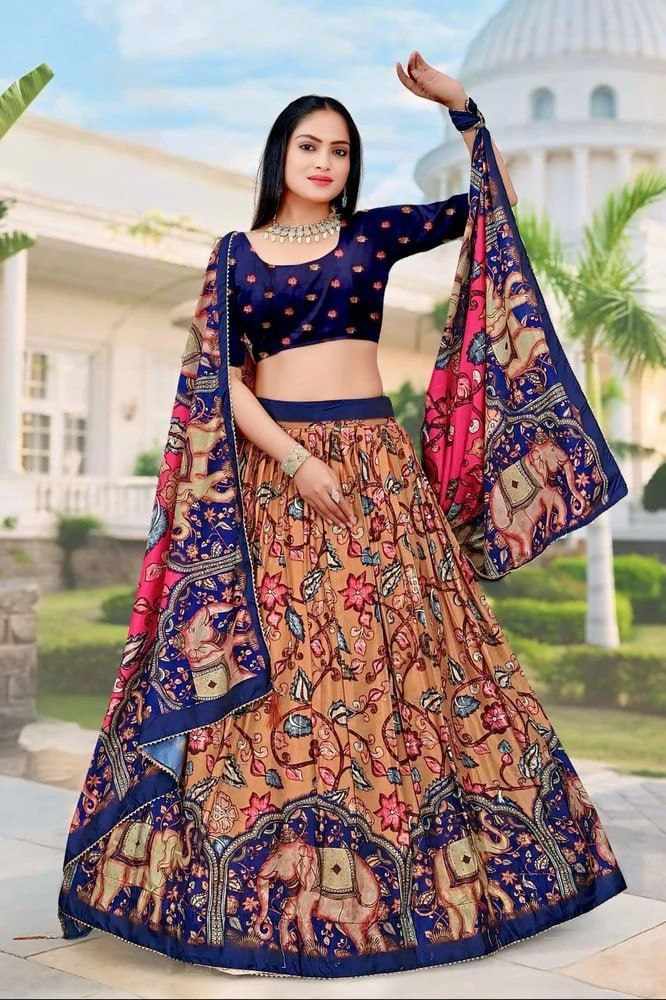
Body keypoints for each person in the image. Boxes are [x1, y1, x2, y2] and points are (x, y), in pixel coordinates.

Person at [56, 52, 628, 979]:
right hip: (278, 477)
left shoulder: (374, 234)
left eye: (340, 150)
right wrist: (295, 459)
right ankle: (248, 912)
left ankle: (419, 894)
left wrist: (463, 109)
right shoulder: (234, 256)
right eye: (309, 146)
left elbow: (495, 207)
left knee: (402, 664)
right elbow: (219, 381)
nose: (325, 161)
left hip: (376, 476)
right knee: (276, 676)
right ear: (280, 154)